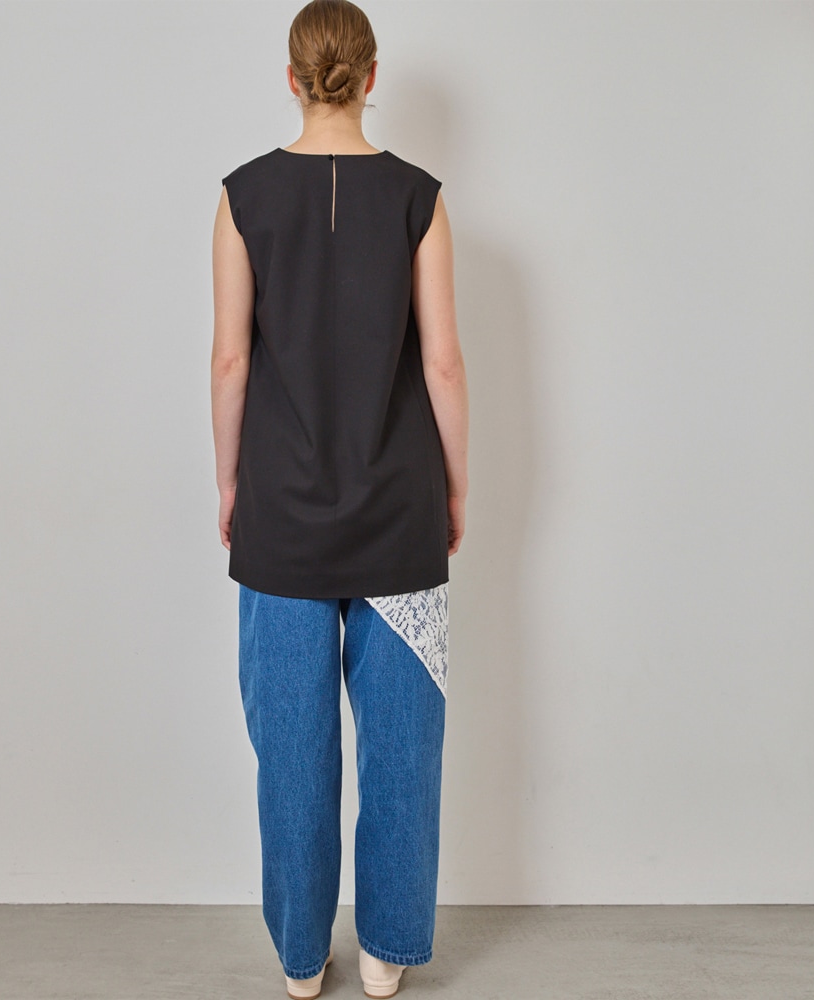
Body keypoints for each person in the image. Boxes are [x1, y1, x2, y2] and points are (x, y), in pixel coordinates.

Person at [211, 2, 468, 996]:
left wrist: (230, 482)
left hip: (280, 515)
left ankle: (300, 959)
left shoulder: (241, 198)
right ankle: (386, 955)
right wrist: (455, 484)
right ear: (370, 77)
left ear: (292, 78)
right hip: (399, 510)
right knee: (404, 748)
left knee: (291, 750)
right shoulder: (419, 199)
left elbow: (231, 361)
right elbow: (442, 363)